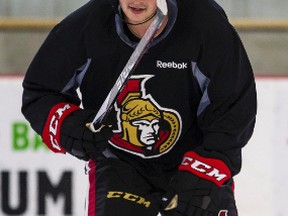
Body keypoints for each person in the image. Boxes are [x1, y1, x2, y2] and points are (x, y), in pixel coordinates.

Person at [21, 0, 257, 215]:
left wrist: (209, 164)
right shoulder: (85, 27)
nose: (136, 1)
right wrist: (69, 125)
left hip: (195, 157)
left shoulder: (207, 27)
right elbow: (41, 91)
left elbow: (233, 106)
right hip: (120, 164)